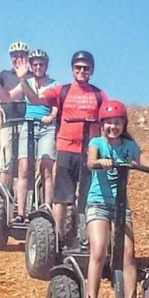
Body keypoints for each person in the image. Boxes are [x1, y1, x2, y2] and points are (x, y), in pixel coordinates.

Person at [84, 101, 149, 298]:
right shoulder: (97, 143)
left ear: (124, 124)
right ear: (102, 124)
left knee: (128, 255)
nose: (113, 127)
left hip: (121, 205)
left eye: (118, 123)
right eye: (109, 123)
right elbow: (90, 163)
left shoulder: (129, 147)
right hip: (98, 202)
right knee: (99, 251)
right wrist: (101, 161)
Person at [38, 50, 107, 243]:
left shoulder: (99, 95)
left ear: (91, 71)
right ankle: (58, 238)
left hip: (89, 152)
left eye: (86, 68)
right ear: (72, 69)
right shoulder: (63, 90)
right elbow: (38, 98)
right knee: (61, 197)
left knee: (86, 198)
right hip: (66, 149)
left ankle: (84, 237)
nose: (82, 71)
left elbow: (110, 121)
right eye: (78, 67)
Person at [0, 42, 34, 219]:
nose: (17, 58)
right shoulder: (4, 75)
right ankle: (2, 203)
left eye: (21, 54)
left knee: (26, 165)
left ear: (27, 56)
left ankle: (26, 206)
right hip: (8, 123)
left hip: (28, 124)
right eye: (14, 55)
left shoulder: (32, 76)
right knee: (6, 163)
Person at [14, 48, 57, 216]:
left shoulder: (54, 84)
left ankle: (47, 208)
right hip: (29, 126)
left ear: (46, 66)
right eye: (35, 64)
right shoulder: (26, 82)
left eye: (41, 64)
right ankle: (21, 213)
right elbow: (7, 96)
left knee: (46, 168)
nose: (38, 67)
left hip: (46, 127)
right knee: (24, 168)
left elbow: (56, 107)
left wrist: (51, 116)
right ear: (31, 66)